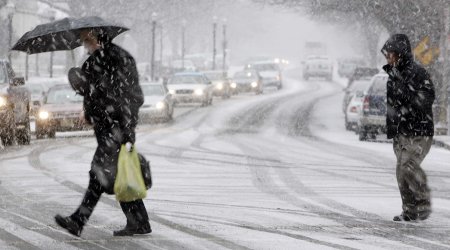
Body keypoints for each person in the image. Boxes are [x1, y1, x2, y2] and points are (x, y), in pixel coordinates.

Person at [55, 28, 151, 236]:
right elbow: (92, 92)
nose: (83, 43)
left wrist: (124, 127)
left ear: (97, 37)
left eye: (86, 38)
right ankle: (140, 221)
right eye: (82, 40)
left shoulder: (116, 59)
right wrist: (82, 88)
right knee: (118, 174)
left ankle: (78, 220)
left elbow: (132, 97)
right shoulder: (99, 60)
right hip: (109, 128)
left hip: (115, 128)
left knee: (98, 174)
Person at [381, 34, 435, 222]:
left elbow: (428, 97)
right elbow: (391, 106)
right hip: (402, 133)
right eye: (386, 55)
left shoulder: (418, 73)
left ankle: (423, 201)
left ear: (400, 54)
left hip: (419, 131)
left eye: (391, 54)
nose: (388, 58)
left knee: (408, 167)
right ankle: (410, 211)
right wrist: (392, 129)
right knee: (401, 173)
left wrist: (409, 104)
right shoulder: (392, 76)